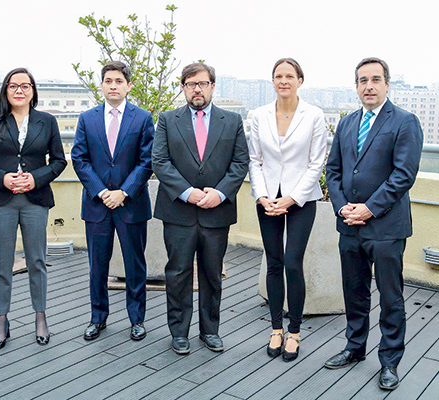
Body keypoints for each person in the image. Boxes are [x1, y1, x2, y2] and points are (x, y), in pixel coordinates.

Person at [325, 57, 423, 390]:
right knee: (354, 293)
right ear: (356, 86)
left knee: (391, 297)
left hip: (386, 227)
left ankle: (390, 362)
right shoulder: (348, 123)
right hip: (349, 225)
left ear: (386, 84)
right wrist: (343, 209)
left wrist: (368, 208)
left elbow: (403, 175)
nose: (369, 85)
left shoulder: (405, 122)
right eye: (362, 80)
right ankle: (354, 348)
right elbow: (334, 170)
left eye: (375, 79)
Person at [152, 62, 249, 355]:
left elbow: (240, 163)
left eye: (203, 83)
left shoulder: (232, 121)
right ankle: (179, 333)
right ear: (183, 87)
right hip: (179, 212)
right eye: (191, 84)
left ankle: (210, 331)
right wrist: (187, 192)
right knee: (178, 273)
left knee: (212, 274)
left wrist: (219, 194)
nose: (197, 89)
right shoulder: (167, 120)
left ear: (212, 87)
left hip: (216, 212)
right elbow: (160, 161)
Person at [0, 67, 67, 350]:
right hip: (1, 201)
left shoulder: (47, 121)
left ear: (33, 91)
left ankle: (40, 317)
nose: (19, 90)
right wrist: (3, 177)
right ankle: (2, 320)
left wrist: (36, 178)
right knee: (2, 264)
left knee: (37, 261)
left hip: (36, 200)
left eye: (25, 86)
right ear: (5, 90)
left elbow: (59, 161)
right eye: (14, 86)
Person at [248, 58, 328, 362]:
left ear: (300, 80)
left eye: (289, 76)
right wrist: (262, 195)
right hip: (267, 199)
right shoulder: (260, 115)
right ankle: (276, 329)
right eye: (278, 76)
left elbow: (315, 162)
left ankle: (294, 331)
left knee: (293, 263)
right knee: (273, 263)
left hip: (301, 200)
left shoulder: (314, 115)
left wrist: (292, 198)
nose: (284, 80)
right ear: (273, 81)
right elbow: (255, 160)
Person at [71, 61, 154, 342]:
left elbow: (147, 161)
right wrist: (101, 192)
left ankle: (137, 319)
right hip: (97, 205)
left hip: (131, 204)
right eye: (108, 81)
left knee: (135, 265)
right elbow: (79, 159)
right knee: (97, 266)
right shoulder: (87, 118)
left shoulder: (142, 118)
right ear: (102, 85)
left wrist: (124, 192)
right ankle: (98, 318)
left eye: (119, 81)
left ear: (129, 85)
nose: (113, 85)